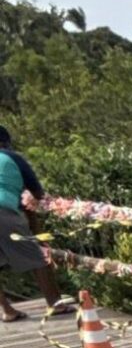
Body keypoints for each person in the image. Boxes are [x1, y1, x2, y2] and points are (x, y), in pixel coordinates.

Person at [0, 126, 70, 322]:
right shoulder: (13, 157)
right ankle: (55, 304)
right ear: (5, 143)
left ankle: (6, 310)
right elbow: (37, 192)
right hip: (3, 211)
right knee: (38, 256)